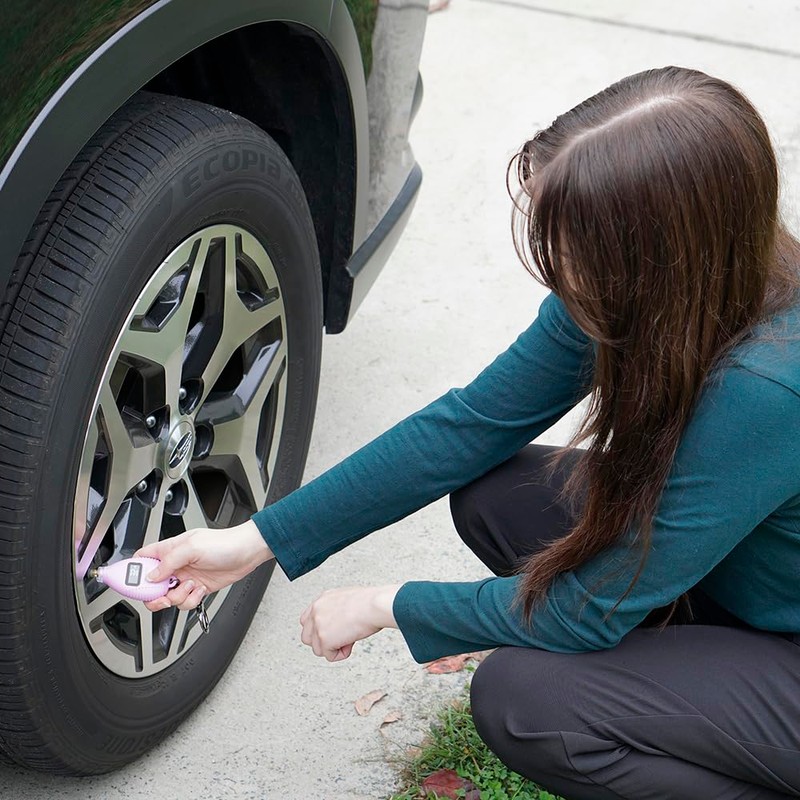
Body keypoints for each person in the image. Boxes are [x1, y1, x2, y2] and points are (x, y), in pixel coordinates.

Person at [138, 66, 800, 798]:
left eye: (575, 245)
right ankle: (671, 679)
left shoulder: (767, 387)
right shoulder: (672, 290)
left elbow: (588, 608)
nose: (557, 269)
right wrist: (253, 543)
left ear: (651, 254)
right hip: (733, 577)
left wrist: (389, 604)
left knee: (527, 703)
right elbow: (466, 427)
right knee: (496, 495)